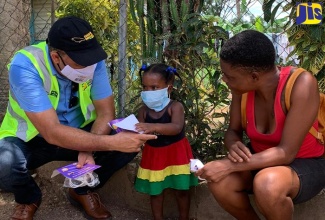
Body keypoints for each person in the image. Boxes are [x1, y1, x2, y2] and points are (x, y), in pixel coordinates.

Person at [0, 16, 156, 220]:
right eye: (81, 62)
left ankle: (81, 189)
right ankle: (29, 198)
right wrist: (107, 143)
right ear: (56, 57)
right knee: (4, 165)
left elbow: (106, 112)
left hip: (80, 133)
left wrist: (88, 148)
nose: (90, 66)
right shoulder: (26, 66)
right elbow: (52, 132)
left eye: (91, 58)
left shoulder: (93, 61)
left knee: (129, 138)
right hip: (33, 138)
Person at [196, 30, 325, 219]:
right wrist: (233, 144)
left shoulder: (301, 84)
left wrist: (229, 166)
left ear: (254, 77)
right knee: (220, 181)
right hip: (259, 160)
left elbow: (286, 153)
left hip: (305, 163)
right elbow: (233, 131)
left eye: (229, 76)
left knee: (267, 184)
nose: (225, 80)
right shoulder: (241, 88)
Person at [134, 63, 198, 220]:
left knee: (182, 190)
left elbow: (176, 127)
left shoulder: (175, 107)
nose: (148, 92)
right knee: (155, 191)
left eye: (154, 88)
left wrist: (152, 126)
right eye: (145, 87)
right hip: (153, 155)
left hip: (177, 154)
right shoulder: (143, 110)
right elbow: (140, 132)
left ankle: (184, 218)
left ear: (168, 88)